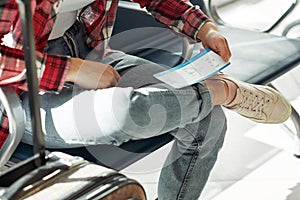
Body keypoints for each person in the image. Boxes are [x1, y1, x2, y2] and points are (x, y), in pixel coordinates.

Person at [0, 0, 291, 199]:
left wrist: (204, 28)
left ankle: (211, 92)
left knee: (209, 122)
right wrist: (73, 69)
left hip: (95, 56)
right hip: (25, 94)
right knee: (130, 111)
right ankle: (224, 91)